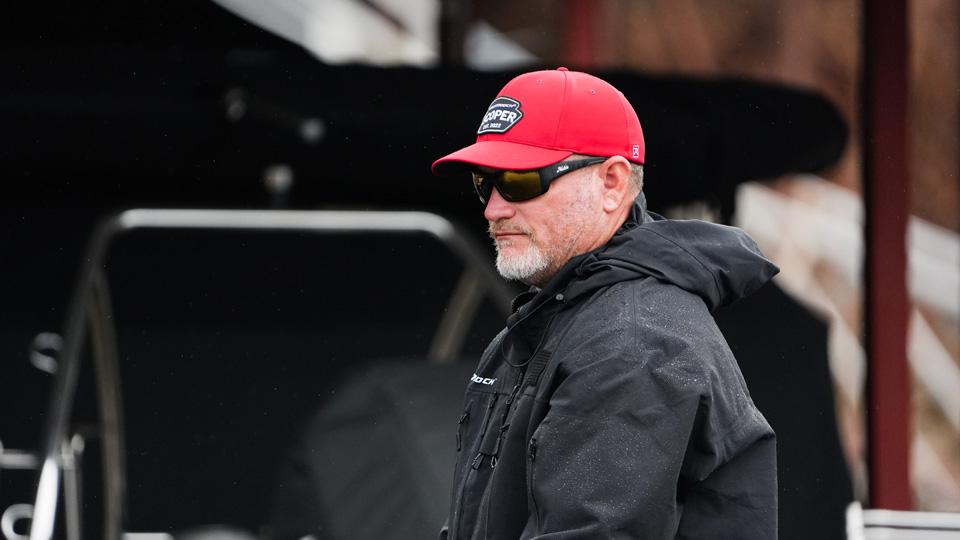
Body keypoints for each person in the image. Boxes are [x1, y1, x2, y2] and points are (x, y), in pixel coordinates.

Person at [431, 67, 779, 539]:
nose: (494, 208)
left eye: (519, 180)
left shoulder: (632, 343)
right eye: (483, 182)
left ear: (612, 183)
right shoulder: (556, 322)